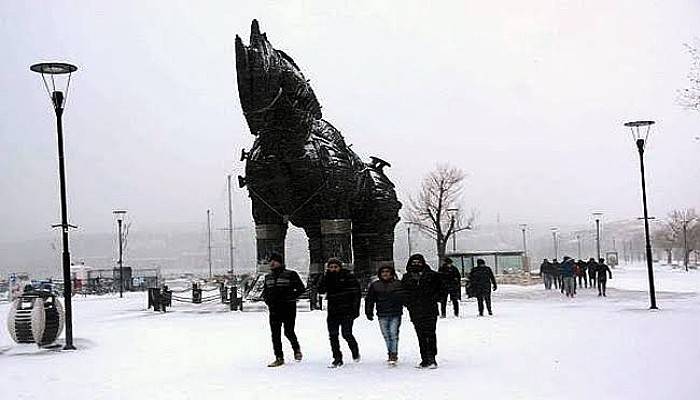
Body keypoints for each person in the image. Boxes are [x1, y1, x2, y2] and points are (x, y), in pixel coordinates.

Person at [261, 252, 306, 367]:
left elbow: (301, 288)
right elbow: (265, 292)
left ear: (280, 262)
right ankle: (279, 357)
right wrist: (268, 301)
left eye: (274, 260)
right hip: (274, 309)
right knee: (275, 334)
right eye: (270, 261)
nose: (271, 263)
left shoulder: (291, 274)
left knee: (288, 331)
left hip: (288, 308)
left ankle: (296, 349)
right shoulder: (268, 277)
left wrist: (291, 297)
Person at [402, 253, 444, 369]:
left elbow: (442, 289)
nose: (416, 265)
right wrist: (408, 303)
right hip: (415, 310)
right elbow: (403, 292)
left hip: (430, 309)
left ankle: (432, 358)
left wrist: (435, 298)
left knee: (430, 333)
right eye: (414, 262)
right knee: (420, 335)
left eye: (418, 262)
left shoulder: (432, 275)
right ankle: (424, 358)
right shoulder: (407, 277)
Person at [317, 258, 361, 368]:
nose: (333, 269)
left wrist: (355, 310)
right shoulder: (327, 278)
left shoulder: (348, 277)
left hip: (347, 310)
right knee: (333, 335)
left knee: (346, 333)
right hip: (333, 311)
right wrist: (323, 277)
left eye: (335, 267)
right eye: (330, 267)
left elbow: (356, 294)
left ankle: (355, 351)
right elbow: (320, 290)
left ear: (340, 267)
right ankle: (337, 358)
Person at [365, 264, 404, 365]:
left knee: (393, 333)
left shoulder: (398, 284)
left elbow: (404, 296)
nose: (385, 274)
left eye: (387, 272)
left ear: (391, 273)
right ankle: (390, 351)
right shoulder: (375, 285)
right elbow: (370, 299)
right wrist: (369, 311)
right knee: (386, 334)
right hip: (382, 313)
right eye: (383, 272)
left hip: (395, 312)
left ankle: (393, 354)